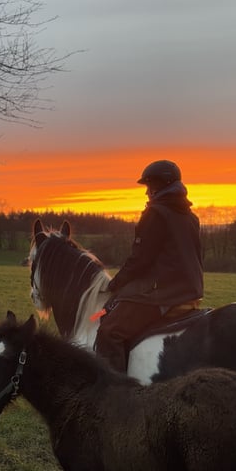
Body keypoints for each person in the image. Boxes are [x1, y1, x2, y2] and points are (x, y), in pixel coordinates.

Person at [95, 160, 203, 373]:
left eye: (149, 186)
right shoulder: (190, 217)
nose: (147, 193)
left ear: (160, 185)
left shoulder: (156, 213)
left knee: (109, 331)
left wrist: (115, 284)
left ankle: (114, 393)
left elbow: (140, 260)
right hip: (190, 291)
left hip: (164, 293)